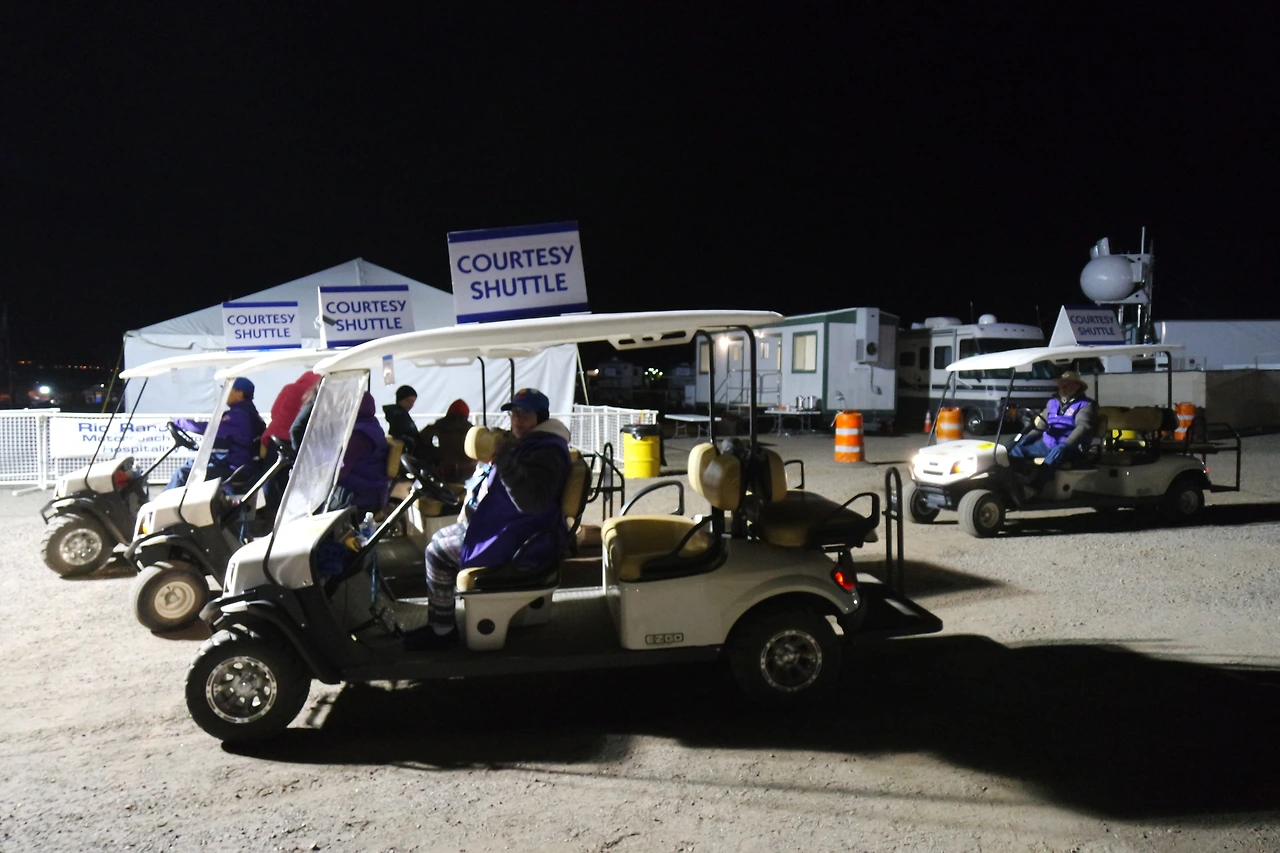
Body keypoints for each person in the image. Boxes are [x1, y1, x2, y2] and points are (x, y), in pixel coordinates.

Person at [404, 388, 571, 651]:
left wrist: (505, 462)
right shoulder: (531, 443)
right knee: (439, 537)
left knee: (437, 553)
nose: (516, 420)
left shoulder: (547, 451)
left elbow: (531, 502)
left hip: (524, 539)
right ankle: (441, 619)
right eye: (514, 413)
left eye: (524, 414)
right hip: (514, 529)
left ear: (541, 417)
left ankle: (442, 630)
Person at [1009, 370, 1099, 494]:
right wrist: (1025, 439)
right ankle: (1020, 480)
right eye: (1062, 384)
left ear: (1077, 386)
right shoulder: (1052, 402)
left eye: (1068, 384)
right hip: (1047, 445)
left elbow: (1083, 427)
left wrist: (1066, 444)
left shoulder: (1085, 405)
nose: (1063, 387)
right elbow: (1041, 425)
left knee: (1057, 452)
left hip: (1071, 447)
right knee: (1016, 449)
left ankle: (1035, 488)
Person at [167, 377, 266, 489]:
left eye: (228, 389)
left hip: (233, 468)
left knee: (183, 473)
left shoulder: (239, 416)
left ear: (239, 394)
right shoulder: (247, 412)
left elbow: (210, 429)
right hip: (234, 464)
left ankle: (166, 500)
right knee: (191, 463)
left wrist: (180, 422)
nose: (224, 393)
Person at [330, 392, 391, 514]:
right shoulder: (371, 424)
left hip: (359, 494)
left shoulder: (358, 434)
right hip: (373, 490)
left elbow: (341, 470)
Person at [425, 398, 473, 482]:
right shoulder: (471, 429)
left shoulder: (440, 426)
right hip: (467, 470)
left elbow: (423, 437)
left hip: (443, 470)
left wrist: (434, 451)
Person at [382, 385, 426, 456]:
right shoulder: (398, 415)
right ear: (399, 400)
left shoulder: (400, 414)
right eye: (408, 401)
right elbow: (401, 434)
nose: (411, 405)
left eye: (413, 402)